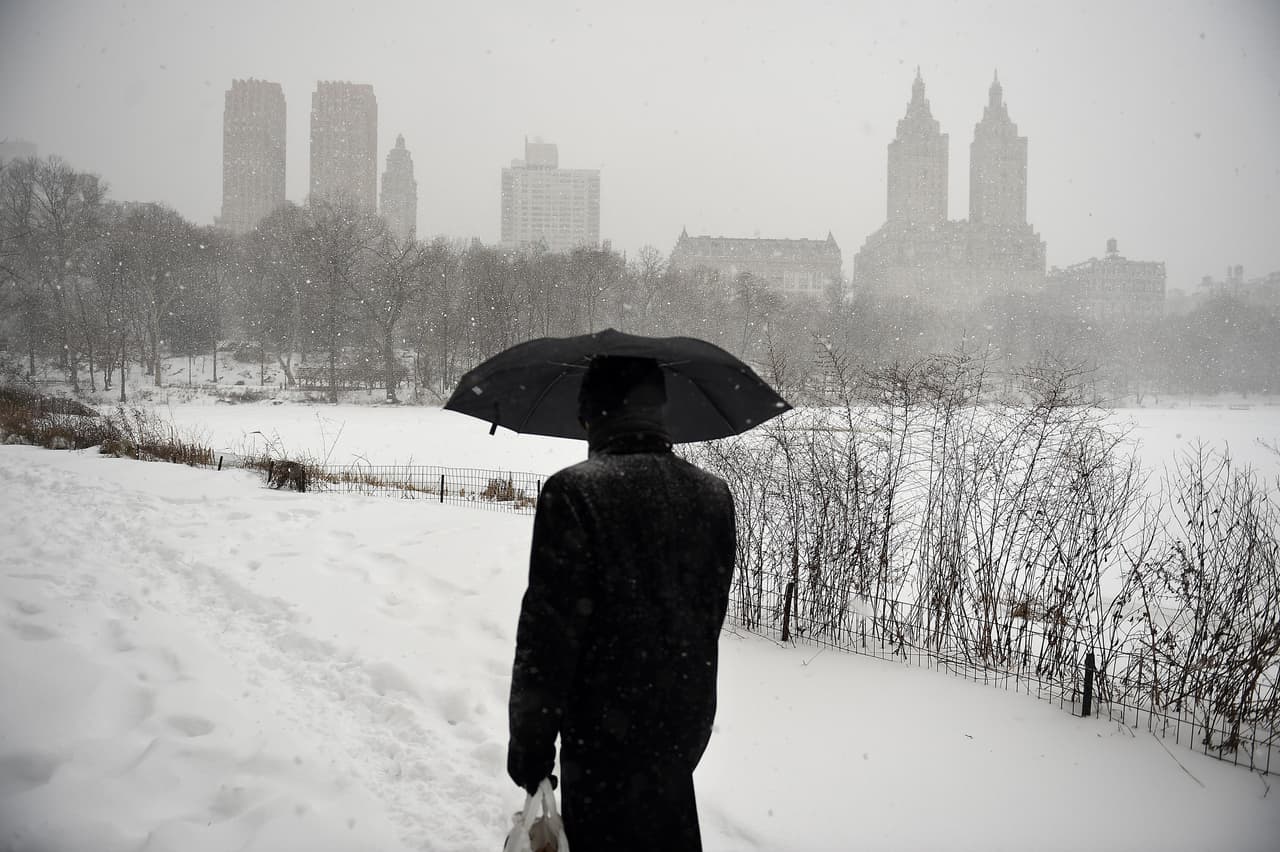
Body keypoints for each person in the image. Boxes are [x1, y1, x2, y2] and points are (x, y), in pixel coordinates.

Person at [507, 355, 737, 851]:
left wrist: (531, 747)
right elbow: (706, 619)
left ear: (591, 414)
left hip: (601, 745)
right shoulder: (712, 495)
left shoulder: (574, 494)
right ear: (661, 413)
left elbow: (548, 637)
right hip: (679, 736)